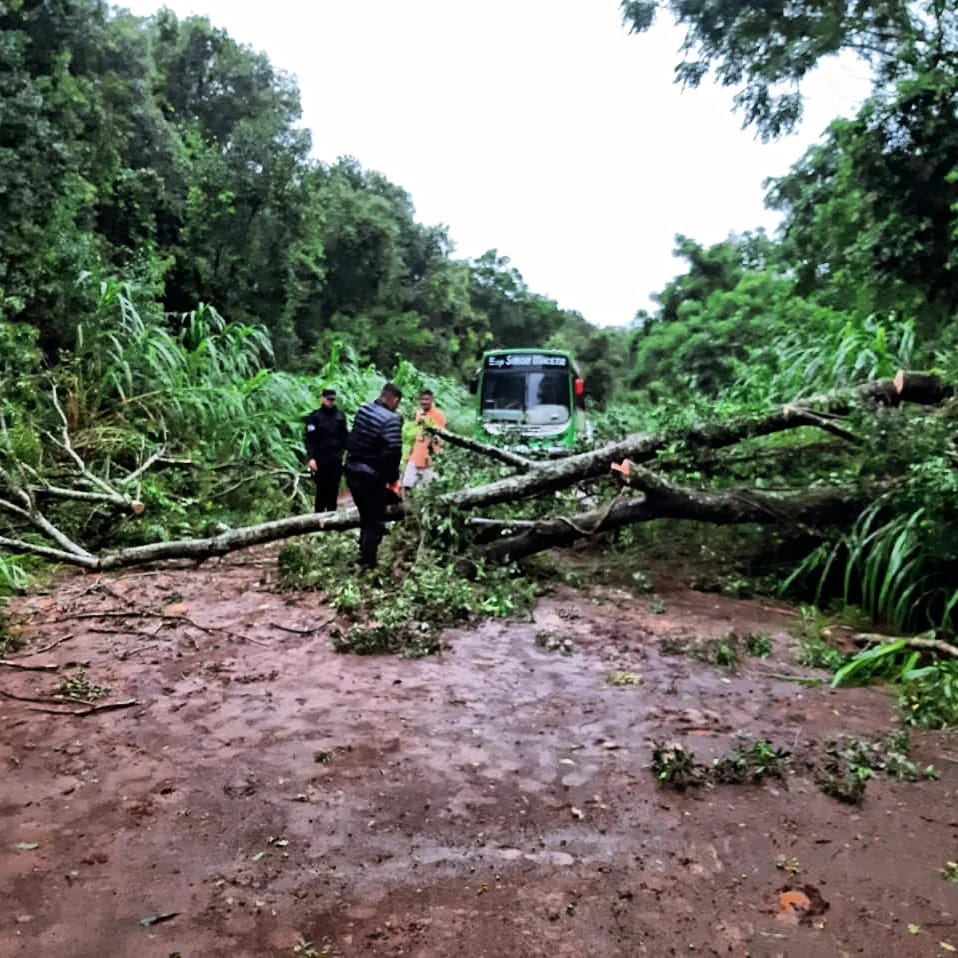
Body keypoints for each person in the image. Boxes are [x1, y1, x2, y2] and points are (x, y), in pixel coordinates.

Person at [344, 382, 403, 570]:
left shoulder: (364, 410)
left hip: (352, 471)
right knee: (375, 521)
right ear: (394, 400)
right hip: (371, 477)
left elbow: (353, 438)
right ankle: (367, 564)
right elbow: (393, 452)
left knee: (365, 515)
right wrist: (392, 479)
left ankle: (362, 553)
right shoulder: (392, 419)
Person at [304, 387, 349, 512]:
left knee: (333, 490)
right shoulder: (314, 417)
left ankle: (332, 519)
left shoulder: (340, 416)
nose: (331, 402)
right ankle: (318, 520)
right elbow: (310, 440)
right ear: (322, 399)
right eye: (329, 400)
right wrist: (311, 458)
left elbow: (345, 437)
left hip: (336, 460)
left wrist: (347, 455)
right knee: (321, 490)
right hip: (320, 460)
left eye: (333, 400)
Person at [401, 389, 446, 489]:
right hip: (415, 455)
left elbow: (440, 436)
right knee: (406, 484)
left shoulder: (439, 415)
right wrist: (409, 454)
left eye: (427, 399)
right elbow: (416, 434)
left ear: (432, 400)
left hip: (429, 457)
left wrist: (428, 426)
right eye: (422, 399)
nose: (424, 402)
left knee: (424, 488)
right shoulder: (419, 413)